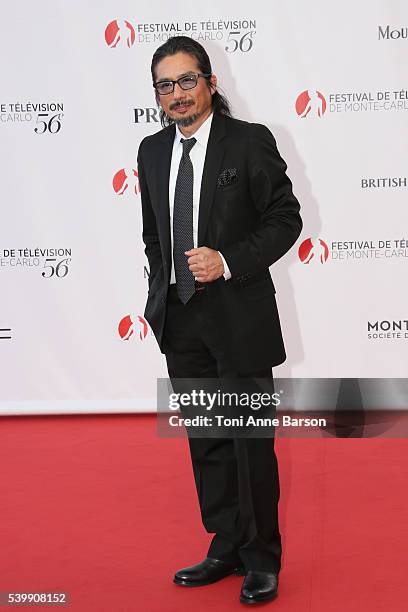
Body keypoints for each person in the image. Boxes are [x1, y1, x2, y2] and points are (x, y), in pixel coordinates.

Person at [138, 36, 302, 605]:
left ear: (210, 82)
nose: (177, 94)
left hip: (240, 320)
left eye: (187, 81)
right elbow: (152, 234)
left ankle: (262, 558)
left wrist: (228, 262)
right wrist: (160, 293)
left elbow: (286, 219)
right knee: (206, 441)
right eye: (166, 85)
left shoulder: (250, 143)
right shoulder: (152, 151)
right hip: (181, 321)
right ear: (156, 94)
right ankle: (226, 544)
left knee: (249, 441)